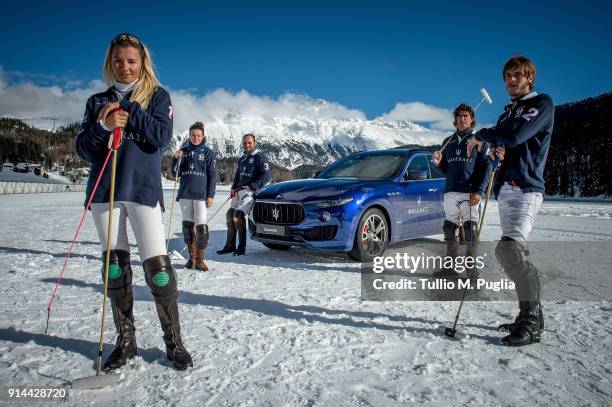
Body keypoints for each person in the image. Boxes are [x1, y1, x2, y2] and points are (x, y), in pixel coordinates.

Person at [76, 33, 192, 370]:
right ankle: (126, 341)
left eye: (131, 61)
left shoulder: (157, 96)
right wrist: (103, 124)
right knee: (114, 266)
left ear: (142, 64)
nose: (124, 68)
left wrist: (128, 109)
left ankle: (174, 342)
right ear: (109, 63)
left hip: (141, 190)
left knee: (158, 270)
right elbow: (83, 149)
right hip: (104, 193)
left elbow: (160, 136)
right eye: (117, 61)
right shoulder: (97, 101)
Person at [467, 55, 554, 346]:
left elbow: (516, 136)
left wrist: (485, 135)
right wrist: (496, 154)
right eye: (508, 76)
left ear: (530, 77)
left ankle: (532, 322)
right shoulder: (506, 113)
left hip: (527, 187)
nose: (512, 80)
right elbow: (506, 145)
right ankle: (529, 315)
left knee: (509, 251)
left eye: (518, 75)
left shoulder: (540, 104)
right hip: (507, 187)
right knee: (512, 251)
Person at [432, 104, 492, 278]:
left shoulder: (479, 140)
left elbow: (486, 168)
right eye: (459, 116)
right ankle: (450, 268)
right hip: (451, 191)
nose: (462, 119)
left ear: (471, 119)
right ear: (455, 119)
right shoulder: (447, 142)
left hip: (470, 192)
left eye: (465, 116)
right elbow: (445, 169)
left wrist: (479, 191)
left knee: (470, 231)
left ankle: (472, 271)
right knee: (449, 229)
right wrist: (438, 163)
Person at [217, 133, 271, 256]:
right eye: (245, 143)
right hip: (238, 191)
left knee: (238, 216)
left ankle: (241, 248)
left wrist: (253, 186)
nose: (247, 145)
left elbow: (267, 175)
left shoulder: (260, 157)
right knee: (230, 215)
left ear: (254, 143)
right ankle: (230, 246)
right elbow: (237, 175)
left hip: (250, 192)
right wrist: (233, 188)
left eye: (249, 143)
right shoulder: (243, 158)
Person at [172, 121, 216, 271]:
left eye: (198, 135)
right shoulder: (183, 151)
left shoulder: (208, 153)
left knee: (202, 227)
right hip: (185, 193)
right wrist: (176, 159)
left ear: (203, 136)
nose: (196, 137)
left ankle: (200, 259)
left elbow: (212, 175)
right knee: (187, 226)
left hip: (201, 195)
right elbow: (174, 173)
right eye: (193, 135)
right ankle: (191, 258)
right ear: (189, 136)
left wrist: (210, 195)